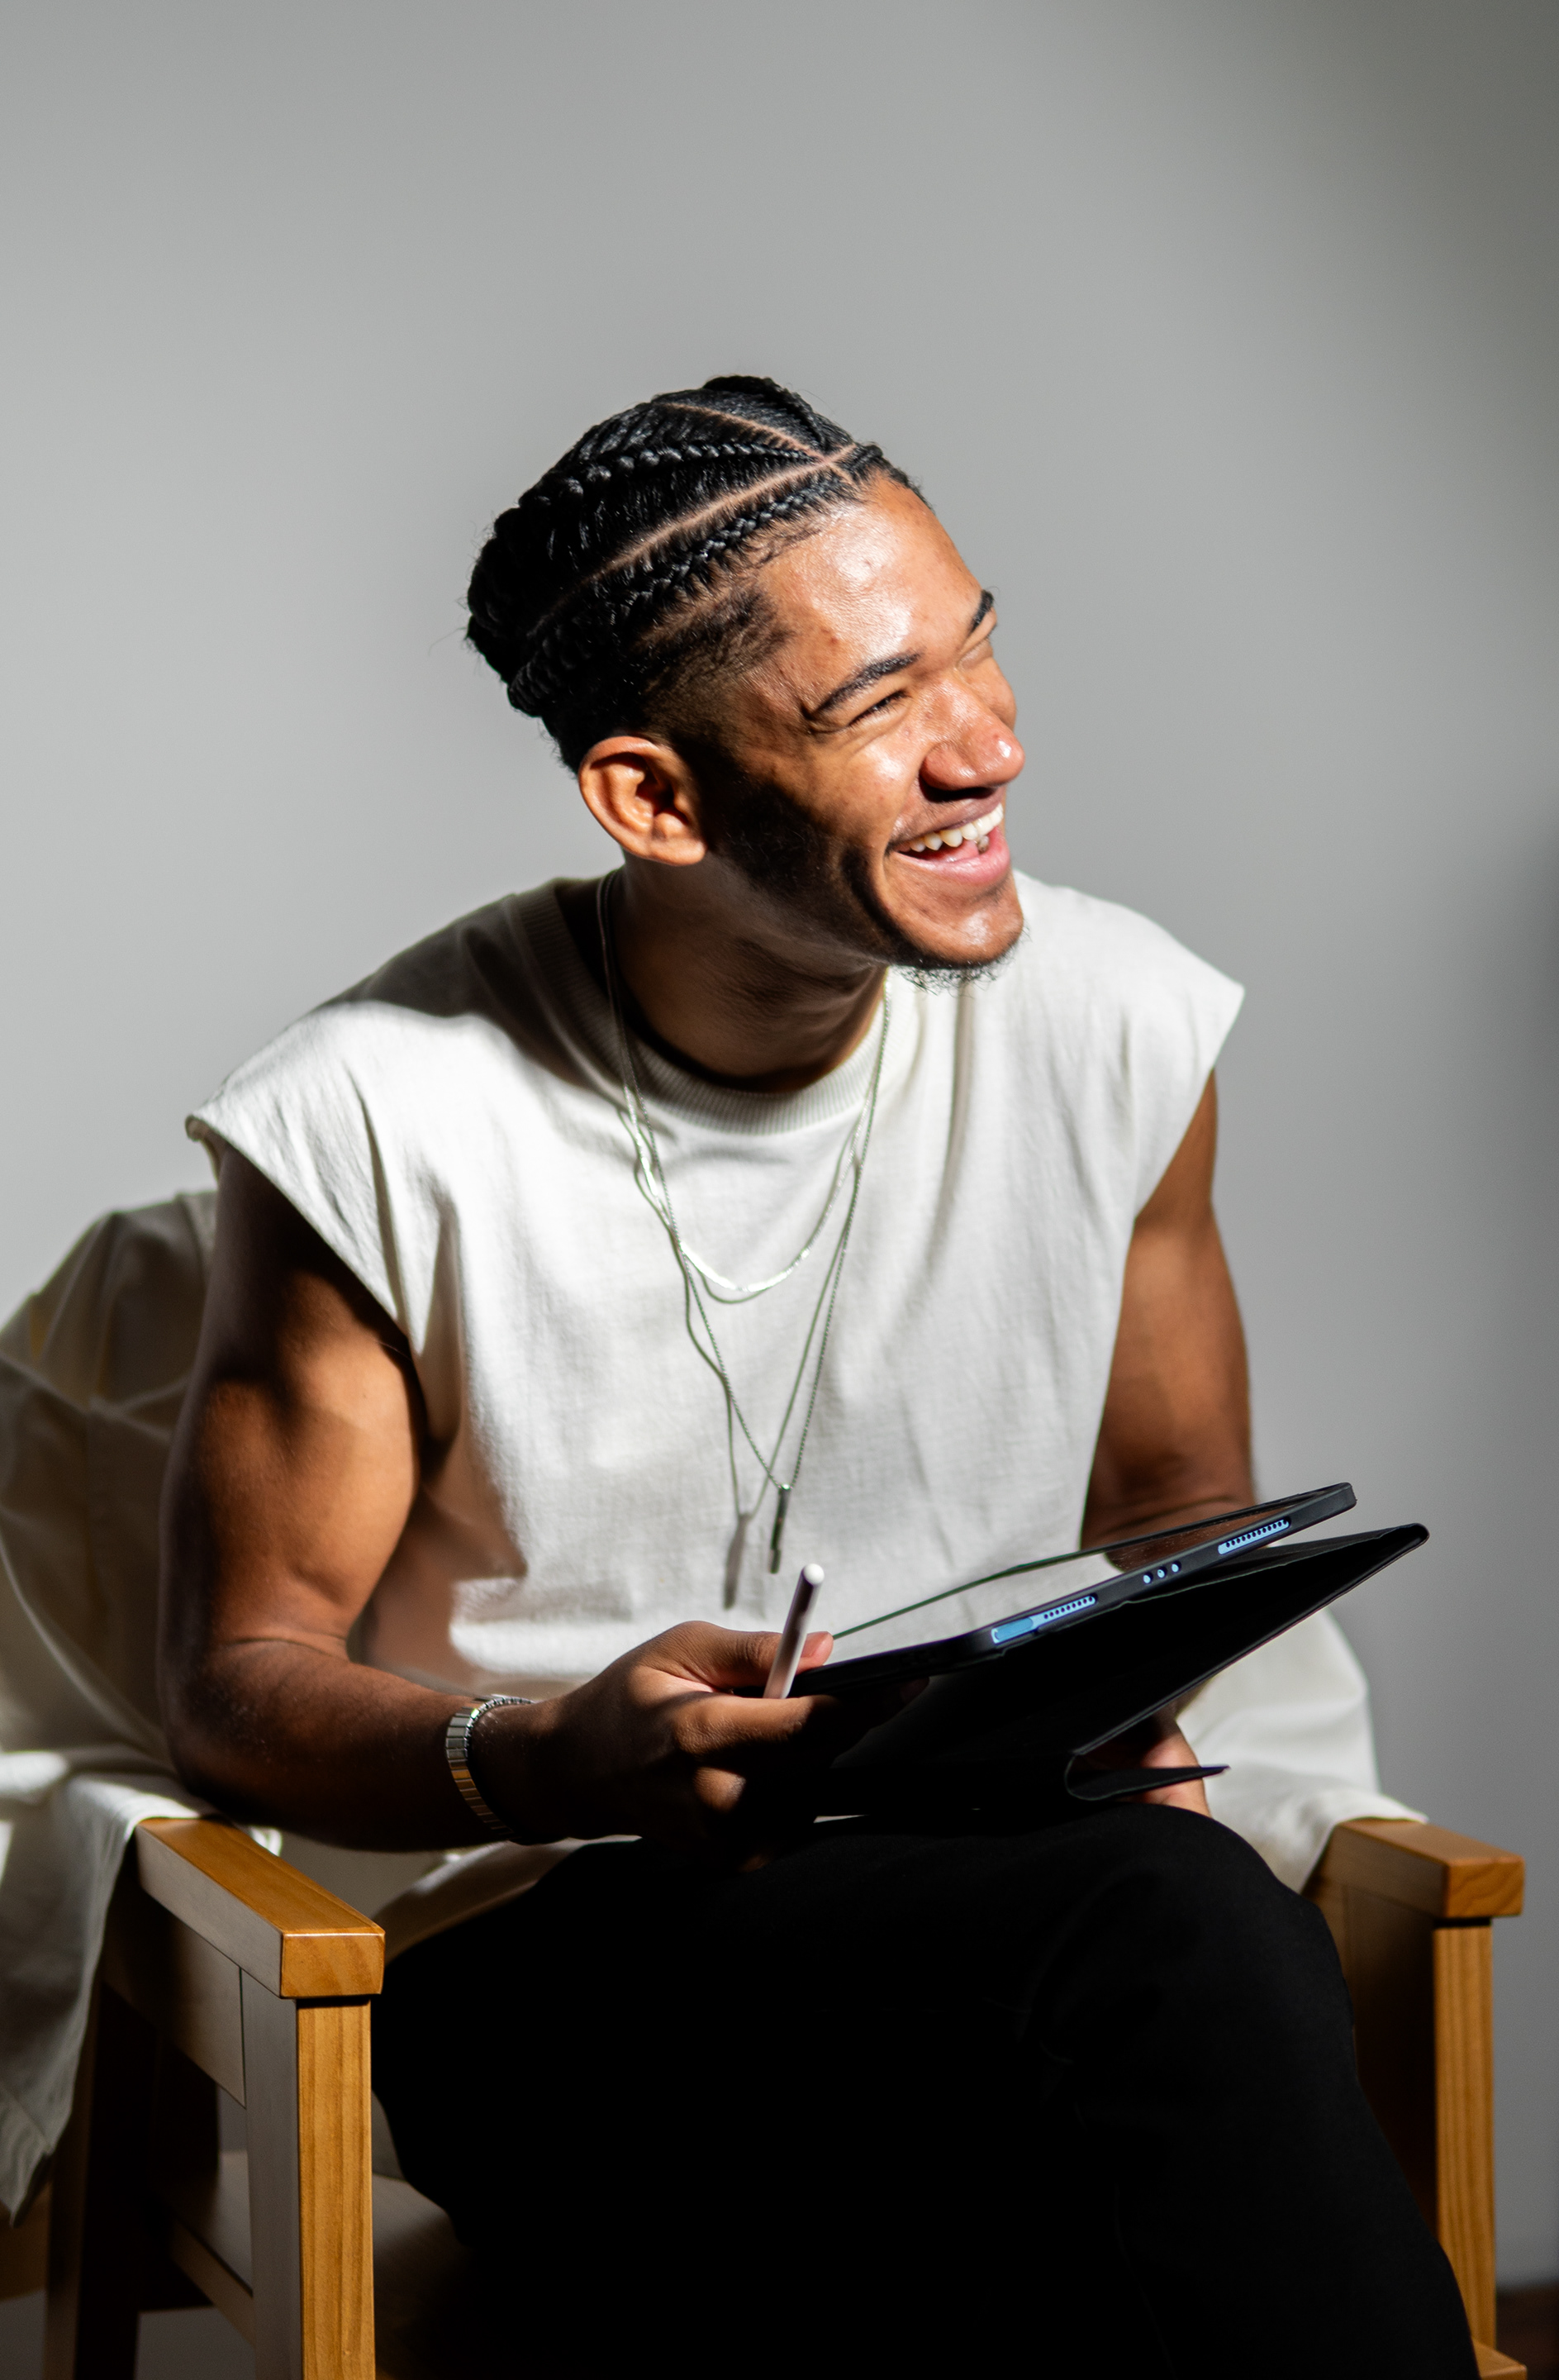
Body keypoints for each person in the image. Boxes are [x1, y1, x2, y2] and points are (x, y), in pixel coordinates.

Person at [158, 378, 1475, 2374]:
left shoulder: (1118, 1022)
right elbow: (233, 1679)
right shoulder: (369, 1116)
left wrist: (1099, 1701)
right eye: (883, 703)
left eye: (978, 645)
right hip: (539, 1941)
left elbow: (1177, 1516)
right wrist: (547, 1752)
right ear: (656, 799)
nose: (991, 743)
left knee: (1128, 2002)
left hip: (995, 1897)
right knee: (1170, 1943)